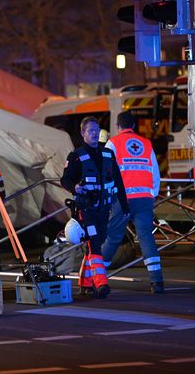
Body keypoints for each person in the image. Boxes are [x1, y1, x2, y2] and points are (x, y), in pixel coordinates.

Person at [61, 116, 129, 299]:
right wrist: (74, 187)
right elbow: (65, 180)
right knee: (95, 244)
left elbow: (119, 181)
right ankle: (101, 284)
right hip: (86, 209)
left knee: (93, 245)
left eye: (97, 130)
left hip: (104, 209)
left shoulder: (107, 154)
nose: (95, 133)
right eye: (90, 130)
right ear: (83, 133)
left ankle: (85, 283)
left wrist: (124, 204)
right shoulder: (75, 156)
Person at [102, 112, 164, 293]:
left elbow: (107, 173)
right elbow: (155, 172)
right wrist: (152, 194)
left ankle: (96, 276)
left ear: (117, 126)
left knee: (113, 237)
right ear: (134, 126)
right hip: (144, 198)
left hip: (122, 199)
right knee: (146, 237)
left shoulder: (113, 143)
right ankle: (156, 281)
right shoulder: (146, 144)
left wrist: (108, 196)